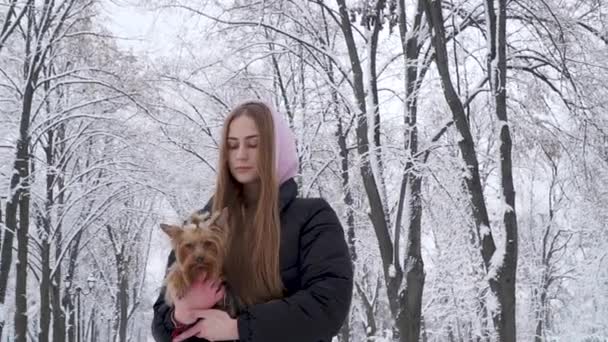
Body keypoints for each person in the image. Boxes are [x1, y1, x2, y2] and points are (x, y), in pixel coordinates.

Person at [151, 100, 353, 342]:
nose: (241, 155)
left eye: (254, 144)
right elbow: (162, 328)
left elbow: (328, 305)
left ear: (276, 149)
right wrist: (181, 313)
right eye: (232, 146)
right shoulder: (197, 230)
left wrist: (239, 328)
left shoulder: (313, 218)